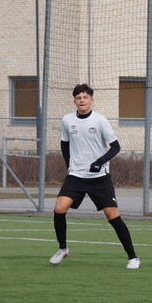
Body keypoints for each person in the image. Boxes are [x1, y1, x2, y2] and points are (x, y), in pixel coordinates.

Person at [49, 83, 139, 269]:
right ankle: (62, 248)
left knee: (112, 214)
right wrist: (70, 165)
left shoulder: (100, 121)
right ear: (74, 101)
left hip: (99, 178)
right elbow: (64, 144)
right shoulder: (67, 120)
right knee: (59, 208)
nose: (82, 100)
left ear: (91, 100)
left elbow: (115, 147)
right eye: (78, 98)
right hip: (76, 176)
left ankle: (133, 257)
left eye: (85, 97)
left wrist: (99, 162)